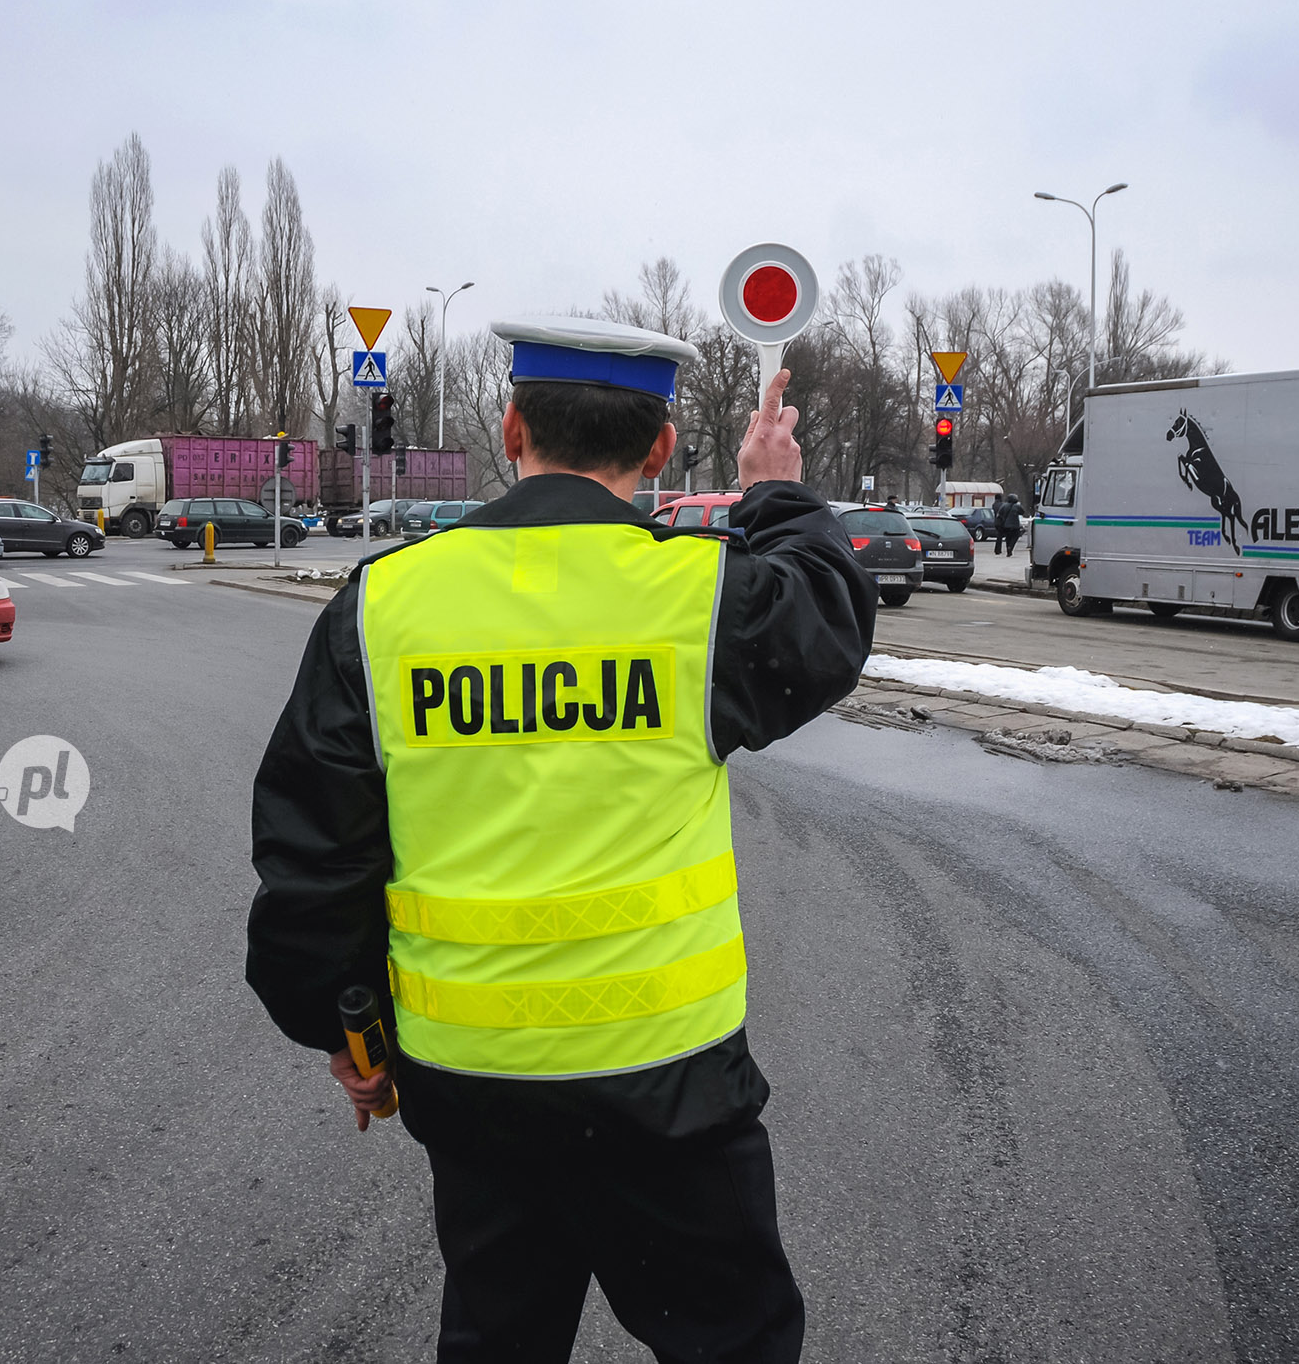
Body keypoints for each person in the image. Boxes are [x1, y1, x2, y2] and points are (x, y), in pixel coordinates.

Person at [247, 315, 877, 1363]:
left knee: (498, 1340)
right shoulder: (701, 597)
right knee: (733, 1341)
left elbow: (317, 855)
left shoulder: (385, 604)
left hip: (473, 1088)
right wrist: (772, 486)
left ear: (510, 429)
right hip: (669, 1088)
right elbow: (829, 615)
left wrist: (343, 1024)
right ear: (661, 449)